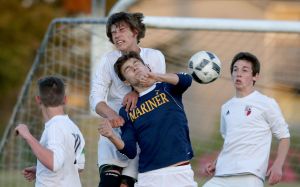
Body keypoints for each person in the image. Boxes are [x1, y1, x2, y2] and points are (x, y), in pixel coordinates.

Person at [98, 51, 197, 187]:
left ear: (147, 67)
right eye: (128, 69)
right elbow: (130, 151)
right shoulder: (127, 109)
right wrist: (111, 136)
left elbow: (187, 79)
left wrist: (156, 77)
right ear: (126, 81)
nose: (134, 68)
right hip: (149, 176)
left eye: (136, 63)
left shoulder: (167, 87)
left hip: (180, 171)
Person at [90, 12, 166, 187]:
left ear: (135, 31)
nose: (116, 35)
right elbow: (95, 97)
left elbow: (158, 91)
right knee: (108, 183)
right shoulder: (107, 60)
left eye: (121, 30)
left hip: (141, 136)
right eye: (113, 32)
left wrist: (136, 92)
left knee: (126, 184)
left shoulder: (155, 56)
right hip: (115, 134)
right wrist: (111, 116)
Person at [203, 52, 290, 187]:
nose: (238, 74)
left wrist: (278, 165)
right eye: (235, 69)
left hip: (249, 176)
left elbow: (284, 137)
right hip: (222, 174)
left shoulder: (266, 103)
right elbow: (230, 141)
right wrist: (215, 162)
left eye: (244, 70)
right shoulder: (226, 107)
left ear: (255, 76)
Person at [15, 75, 85, 187]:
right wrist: (40, 169)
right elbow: (79, 166)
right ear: (65, 99)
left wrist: (27, 135)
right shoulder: (74, 128)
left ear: (38, 99)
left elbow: (54, 163)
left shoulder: (55, 127)